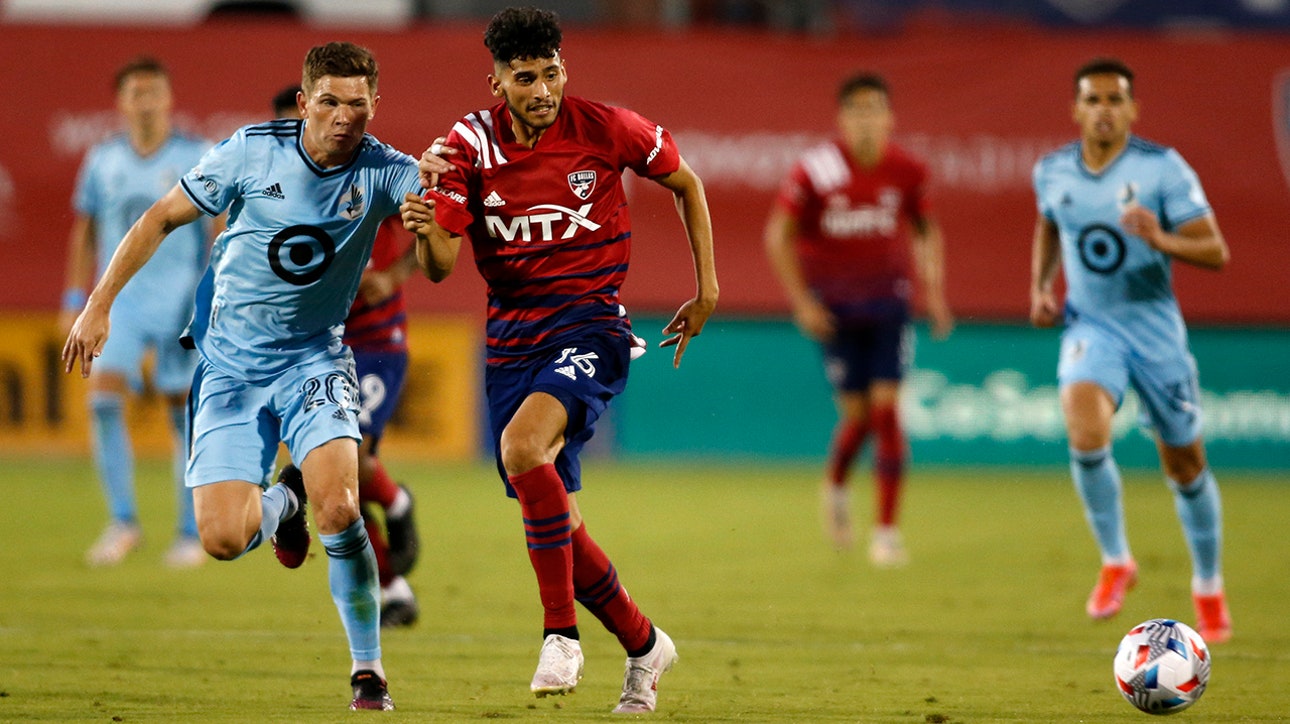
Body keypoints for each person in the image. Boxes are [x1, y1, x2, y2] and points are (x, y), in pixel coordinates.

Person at [63, 41, 443, 709]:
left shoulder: (387, 170)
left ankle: (369, 672)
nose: (343, 117)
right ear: (304, 102)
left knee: (342, 508)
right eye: (329, 102)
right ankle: (281, 503)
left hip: (315, 358)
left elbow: (439, 259)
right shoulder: (250, 149)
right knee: (224, 539)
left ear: (374, 107)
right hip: (230, 365)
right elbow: (159, 218)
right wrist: (98, 306)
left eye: (358, 105)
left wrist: (434, 217)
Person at [400, 6, 717, 713]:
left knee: (519, 446)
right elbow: (442, 267)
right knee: (559, 525)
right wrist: (425, 226)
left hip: (591, 326)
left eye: (550, 73)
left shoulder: (607, 128)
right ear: (497, 81)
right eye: (524, 78)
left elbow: (687, 183)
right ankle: (644, 646)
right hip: (512, 344)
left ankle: (560, 635)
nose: (541, 89)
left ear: (563, 68)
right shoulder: (465, 148)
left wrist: (707, 291)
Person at [1030, 57, 1231, 642]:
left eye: (1115, 100)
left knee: (1185, 465)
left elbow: (1216, 251)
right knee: (1085, 432)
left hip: (1154, 330)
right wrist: (1042, 286)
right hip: (1092, 324)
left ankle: (1209, 588)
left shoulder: (1162, 169)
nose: (1103, 110)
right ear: (1076, 110)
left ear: (1132, 110)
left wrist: (1160, 236)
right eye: (1092, 100)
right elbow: (1048, 224)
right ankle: (1117, 560)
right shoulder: (1052, 172)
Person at [764, 72, 952, 564]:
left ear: (890, 117)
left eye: (876, 110)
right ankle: (837, 485)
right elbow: (777, 235)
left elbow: (927, 232)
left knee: (887, 412)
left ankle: (886, 533)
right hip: (836, 310)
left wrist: (933, 291)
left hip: (891, 304)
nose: (867, 121)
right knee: (859, 416)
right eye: (857, 110)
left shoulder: (907, 171)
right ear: (842, 118)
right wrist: (803, 302)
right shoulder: (818, 170)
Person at [273, 85, 422, 628]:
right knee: (335, 481)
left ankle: (398, 501)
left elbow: (440, 230)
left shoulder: (372, 169)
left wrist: (394, 275)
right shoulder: (274, 187)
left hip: (377, 341)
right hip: (315, 344)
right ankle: (393, 585)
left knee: (349, 462)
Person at [61, 56, 213, 569]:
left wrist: (210, 297)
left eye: (154, 92)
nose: (146, 101)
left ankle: (189, 531)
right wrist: (74, 300)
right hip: (119, 303)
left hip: (180, 302)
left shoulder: (196, 154)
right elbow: (84, 231)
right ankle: (122, 522)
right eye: (136, 92)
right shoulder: (103, 159)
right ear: (121, 102)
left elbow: (216, 230)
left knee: (182, 415)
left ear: (169, 99)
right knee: (102, 401)